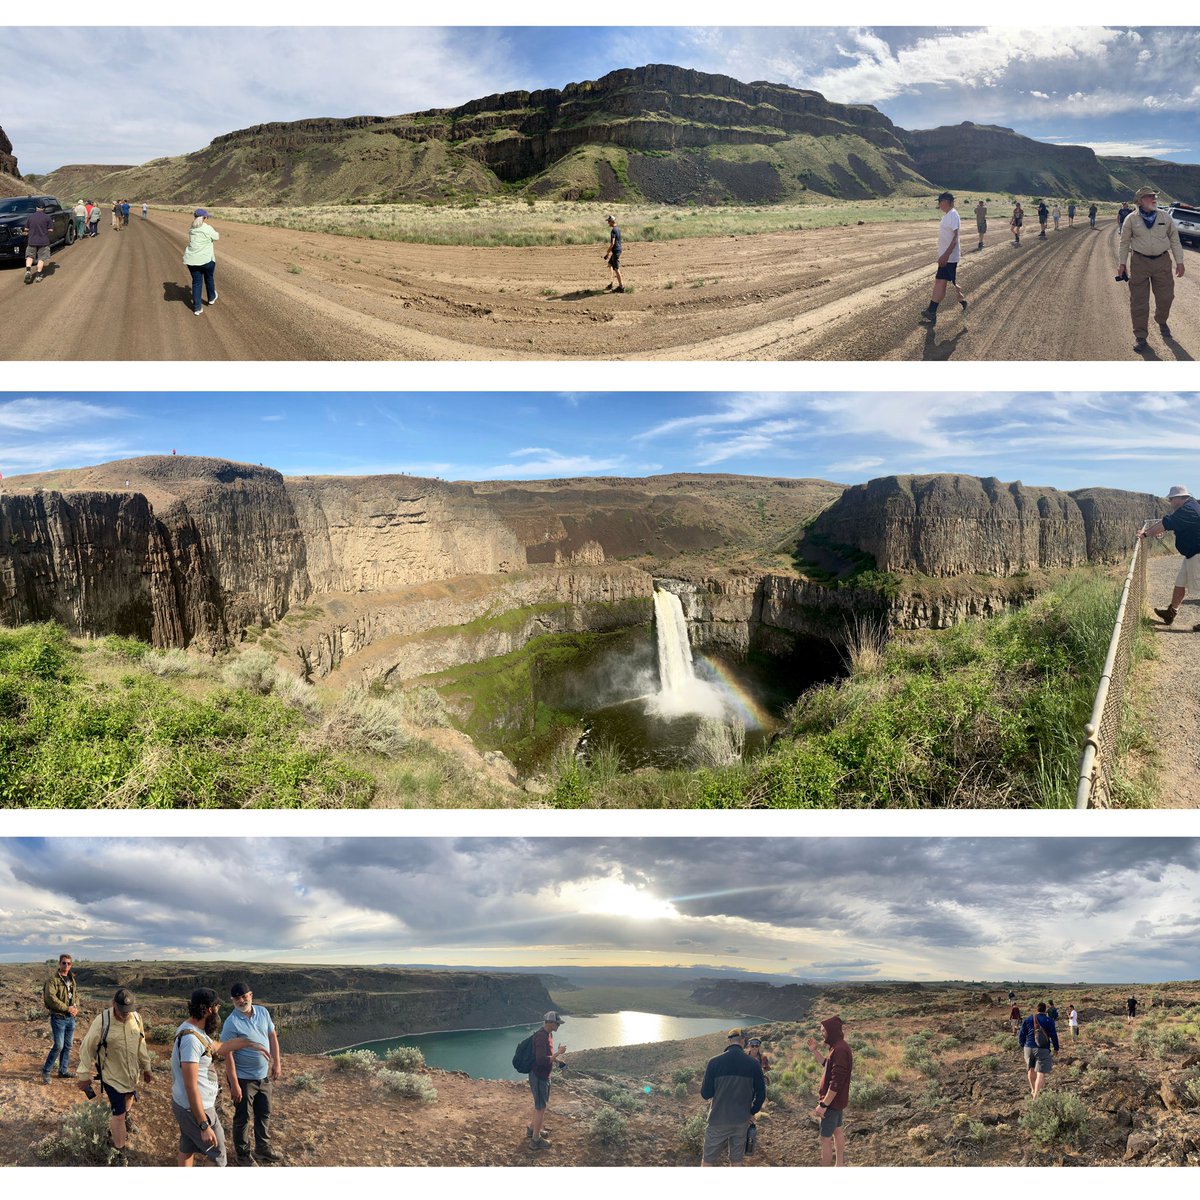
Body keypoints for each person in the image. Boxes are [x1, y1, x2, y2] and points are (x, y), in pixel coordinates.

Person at [170, 987, 271, 1168]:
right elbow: (190, 1086)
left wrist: (248, 1043)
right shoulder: (191, 1041)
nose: (218, 1013)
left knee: (187, 1147)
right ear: (209, 1009)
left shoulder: (192, 1030)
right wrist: (203, 1125)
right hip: (196, 1108)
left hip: (186, 1106)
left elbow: (219, 1047)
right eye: (217, 1007)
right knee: (218, 1156)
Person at [76, 987, 152, 1167]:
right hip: (112, 1076)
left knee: (129, 1099)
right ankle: (119, 1151)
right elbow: (87, 1048)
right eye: (122, 1011)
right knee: (117, 1114)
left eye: (128, 1011)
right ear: (113, 1005)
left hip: (132, 1075)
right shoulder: (102, 1021)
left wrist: (147, 1067)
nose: (125, 1015)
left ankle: (126, 1118)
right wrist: (84, 1074)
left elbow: (141, 1044)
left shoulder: (137, 1018)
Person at [221, 980, 282, 1165]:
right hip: (243, 1078)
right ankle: (242, 1155)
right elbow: (227, 1053)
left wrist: (277, 1063)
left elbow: (272, 1035)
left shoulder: (263, 1012)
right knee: (243, 1118)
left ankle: (262, 1149)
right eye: (237, 998)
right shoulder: (231, 1023)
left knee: (264, 1113)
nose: (241, 1000)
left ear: (251, 995)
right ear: (232, 1000)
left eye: (244, 996)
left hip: (263, 1076)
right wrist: (234, 1084)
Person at [1117, 186, 1185, 350]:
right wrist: (1122, 263)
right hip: (1140, 262)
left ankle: (1161, 320)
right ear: (1140, 201)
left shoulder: (1165, 216)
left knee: (1166, 297)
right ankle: (1140, 337)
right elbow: (1124, 242)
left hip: (1162, 262)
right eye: (1149, 197)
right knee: (1139, 301)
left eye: (1154, 196)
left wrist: (1180, 261)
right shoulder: (1131, 219)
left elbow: (1174, 239)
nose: (1153, 199)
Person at [699, 1028, 765, 1167]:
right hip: (741, 1120)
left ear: (729, 1041)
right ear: (743, 1041)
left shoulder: (714, 1062)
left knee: (708, 1161)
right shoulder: (754, 1064)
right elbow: (761, 1094)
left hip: (717, 1120)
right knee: (736, 1161)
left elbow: (706, 1094)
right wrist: (751, 1112)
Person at [1138, 485, 1200, 626]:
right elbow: (1172, 524)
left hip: (1197, 554)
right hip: (1192, 554)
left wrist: (1145, 534)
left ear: (1179, 498)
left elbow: (1165, 524)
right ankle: (1171, 612)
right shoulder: (1191, 506)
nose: (1170, 502)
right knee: (1180, 583)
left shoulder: (1188, 510)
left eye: (1171, 499)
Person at [806, 1016, 852, 1166]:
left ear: (831, 1030)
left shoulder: (839, 1049)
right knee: (838, 1131)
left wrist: (824, 1105)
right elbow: (827, 1065)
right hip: (836, 1102)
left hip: (831, 1103)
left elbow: (836, 1082)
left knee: (825, 1139)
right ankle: (839, 1165)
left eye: (823, 1030)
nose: (822, 1033)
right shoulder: (838, 1047)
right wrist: (814, 1051)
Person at [918, 191, 967, 325]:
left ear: (949, 202)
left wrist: (945, 255)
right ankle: (933, 310)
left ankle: (932, 311)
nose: (939, 204)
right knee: (942, 282)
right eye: (939, 201)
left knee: (941, 282)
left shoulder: (953, 215)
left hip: (949, 257)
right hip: (947, 257)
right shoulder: (948, 215)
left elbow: (955, 238)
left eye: (941, 201)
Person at [526, 1011, 566, 1150]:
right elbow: (540, 1060)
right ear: (549, 1022)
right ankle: (535, 1140)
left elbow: (547, 1056)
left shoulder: (549, 1035)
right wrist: (559, 1053)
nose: (558, 1025)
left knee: (540, 1106)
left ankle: (532, 1129)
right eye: (557, 1023)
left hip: (544, 1075)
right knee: (541, 1108)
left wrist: (558, 1060)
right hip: (539, 1076)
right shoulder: (541, 1037)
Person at [41, 952, 79, 1082]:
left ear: (71, 965)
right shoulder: (53, 980)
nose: (66, 965)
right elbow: (51, 998)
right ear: (59, 964)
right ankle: (46, 1071)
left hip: (70, 1018)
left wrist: (75, 1007)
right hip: (58, 1018)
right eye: (64, 963)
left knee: (68, 1046)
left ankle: (63, 1071)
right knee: (59, 1045)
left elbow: (75, 995)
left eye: (69, 963)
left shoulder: (71, 978)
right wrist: (67, 1008)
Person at [183, 209, 220, 316]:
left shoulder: (191, 228)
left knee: (196, 283)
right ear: (204, 218)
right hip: (207, 260)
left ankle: (197, 308)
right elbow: (217, 237)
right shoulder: (207, 228)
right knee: (209, 278)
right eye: (206, 217)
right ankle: (211, 298)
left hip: (192, 260)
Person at [1019, 1002, 1058, 1099]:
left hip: (1028, 1047)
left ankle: (1032, 1089)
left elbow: (1022, 1033)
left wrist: (1022, 1044)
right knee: (1040, 1073)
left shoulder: (1028, 1019)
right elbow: (1053, 1035)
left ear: (1037, 1009)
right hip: (1042, 1048)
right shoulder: (1049, 1020)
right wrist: (1056, 1048)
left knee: (1031, 1069)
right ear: (1045, 1010)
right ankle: (1036, 1096)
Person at [23, 200, 53, 285]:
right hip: (43, 241)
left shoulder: (30, 217)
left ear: (36, 208)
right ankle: (38, 276)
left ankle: (28, 271)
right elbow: (51, 229)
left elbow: (26, 229)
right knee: (41, 258)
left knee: (29, 256)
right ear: (44, 208)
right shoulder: (47, 217)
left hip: (32, 240)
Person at [603, 214, 624, 293]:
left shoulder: (613, 231)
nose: (608, 223)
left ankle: (621, 287)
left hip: (615, 251)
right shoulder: (617, 228)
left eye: (608, 221)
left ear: (612, 221)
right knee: (610, 265)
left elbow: (612, 243)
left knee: (616, 269)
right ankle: (611, 283)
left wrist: (607, 253)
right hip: (617, 250)